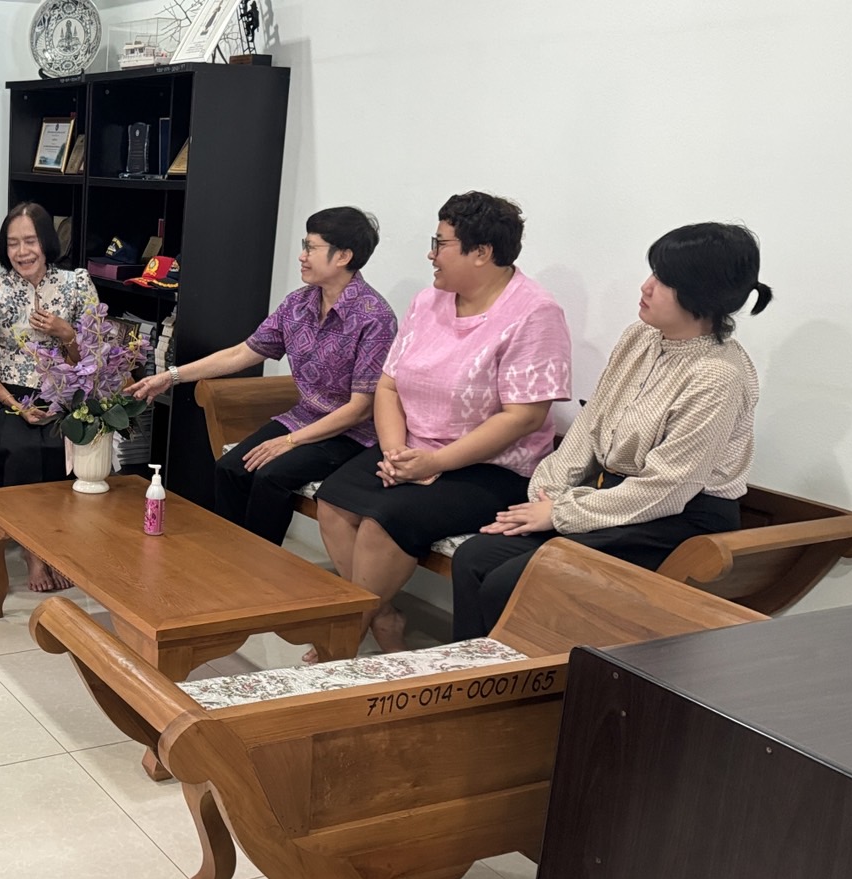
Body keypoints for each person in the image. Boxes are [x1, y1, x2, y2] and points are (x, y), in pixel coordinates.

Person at [451, 223, 771, 639]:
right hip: (608, 498)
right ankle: (470, 673)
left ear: (701, 294)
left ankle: (528, 680)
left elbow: (668, 488)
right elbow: (591, 425)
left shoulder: (718, 375)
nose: (646, 286)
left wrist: (561, 513)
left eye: (664, 280)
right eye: (652, 272)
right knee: (476, 556)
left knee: (513, 582)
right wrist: (550, 493)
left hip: (678, 520)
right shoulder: (640, 336)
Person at [313, 192, 572, 652]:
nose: (431, 255)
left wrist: (436, 462)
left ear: (482, 252)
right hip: (412, 449)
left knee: (383, 522)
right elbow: (389, 385)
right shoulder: (428, 300)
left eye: (441, 243)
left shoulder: (535, 312)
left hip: (491, 467)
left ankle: (341, 642)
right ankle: (382, 618)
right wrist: (395, 451)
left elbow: (524, 417)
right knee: (334, 501)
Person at [130, 206, 397, 545]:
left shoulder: (375, 318)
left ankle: (259, 565)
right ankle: (230, 556)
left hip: (350, 433)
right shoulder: (298, 304)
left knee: (271, 476)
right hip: (302, 417)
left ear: (343, 256)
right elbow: (242, 353)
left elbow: (360, 408)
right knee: (230, 468)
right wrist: (171, 376)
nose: (301, 256)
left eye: (311, 247)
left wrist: (289, 442)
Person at [0, 201, 97, 592]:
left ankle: (57, 544)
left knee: (61, 447)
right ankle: (32, 552)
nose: (21, 252)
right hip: (2, 394)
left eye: (30, 241)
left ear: (47, 242)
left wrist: (65, 333)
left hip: (61, 392)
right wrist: (16, 405)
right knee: (20, 447)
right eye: (12, 243)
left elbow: (91, 357)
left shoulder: (76, 285)